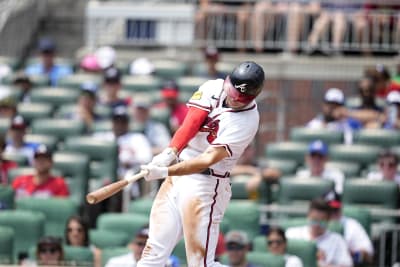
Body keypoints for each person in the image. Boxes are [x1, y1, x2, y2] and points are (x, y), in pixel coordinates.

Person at [136, 61, 265, 266]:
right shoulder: (213, 86)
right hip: (177, 177)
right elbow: (192, 122)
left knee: (200, 263)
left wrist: (166, 169)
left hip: (206, 184)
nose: (233, 98)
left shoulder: (247, 121)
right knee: (152, 256)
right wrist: (170, 151)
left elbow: (207, 160)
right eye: (231, 91)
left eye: (239, 98)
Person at [286, 198, 353, 267]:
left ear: (328, 220)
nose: (316, 225)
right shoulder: (291, 234)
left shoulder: (337, 240)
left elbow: (347, 265)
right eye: (314, 220)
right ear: (308, 216)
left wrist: (321, 264)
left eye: (321, 222)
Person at [323, 190, 374, 265]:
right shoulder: (316, 225)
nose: (332, 213)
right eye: (329, 210)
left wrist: (353, 254)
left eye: (335, 209)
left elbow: (369, 254)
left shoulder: (351, 225)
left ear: (340, 208)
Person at [105, 226, 180, 267]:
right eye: (140, 244)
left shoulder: (167, 263)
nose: (143, 249)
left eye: (147, 245)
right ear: (132, 245)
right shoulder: (115, 263)